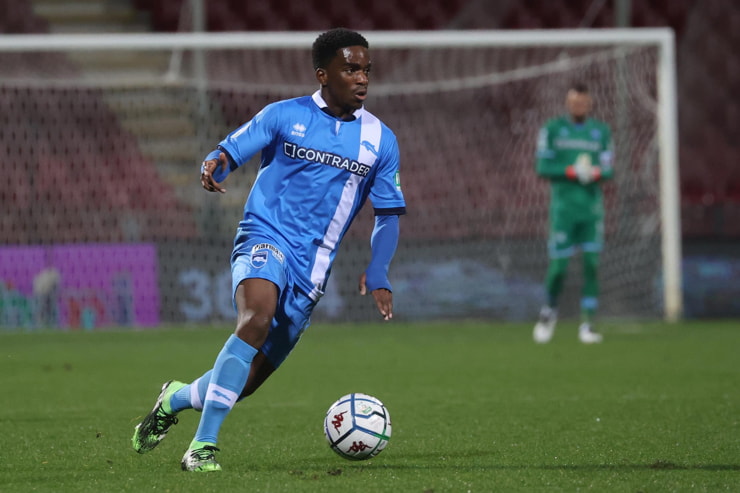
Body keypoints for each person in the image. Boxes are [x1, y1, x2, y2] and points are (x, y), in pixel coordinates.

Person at [131, 28, 406, 472]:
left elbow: (388, 214)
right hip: (266, 236)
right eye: (350, 69)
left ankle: (175, 397)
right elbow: (233, 147)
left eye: (366, 70)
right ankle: (203, 447)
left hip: (311, 269)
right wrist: (215, 161)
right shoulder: (284, 116)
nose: (362, 79)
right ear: (323, 75)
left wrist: (379, 270)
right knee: (255, 317)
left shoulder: (382, 141)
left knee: (246, 381)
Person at [532, 83, 613, 344]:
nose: (579, 106)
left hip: (590, 210)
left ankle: (588, 324)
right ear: (568, 103)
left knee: (591, 265)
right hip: (563, 210)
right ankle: (548, 311)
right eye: (574, 102)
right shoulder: (553, 130)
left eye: (583, 102)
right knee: (559, 268)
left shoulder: (601, 132)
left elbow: (609, 169)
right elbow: (543, 166)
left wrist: (596, 173)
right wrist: (571, 171)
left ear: (589, 103)